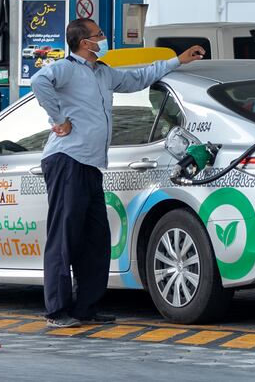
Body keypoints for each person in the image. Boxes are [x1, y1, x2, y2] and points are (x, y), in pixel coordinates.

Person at [30, 18, 205, 328]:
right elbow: (38, 82)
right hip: (67, 159)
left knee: (96, 237)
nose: (104, 37)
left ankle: (87, 306)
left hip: (91, 163)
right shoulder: (66, 69)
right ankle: (57, 310)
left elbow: (138, 78)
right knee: (64, 236)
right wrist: (58, 118)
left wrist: (177, 60)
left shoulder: (103, 73)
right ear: (85, 43)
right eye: (99, 34)